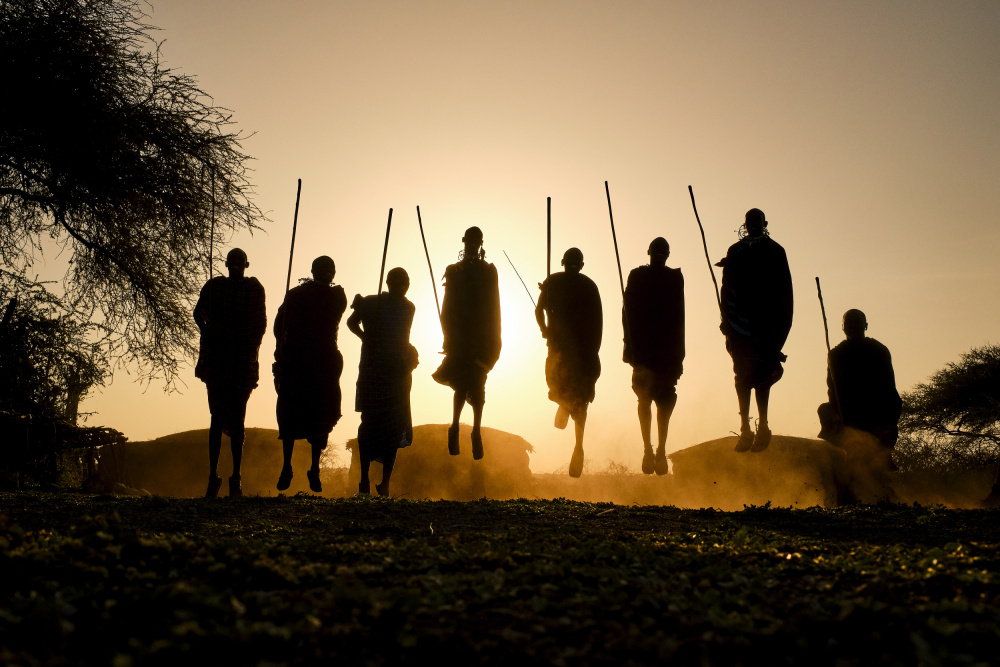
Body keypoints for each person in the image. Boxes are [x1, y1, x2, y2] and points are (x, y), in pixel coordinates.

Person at [717, 208, 793, 452]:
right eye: (749, 221)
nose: (753, 224)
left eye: (757, 221)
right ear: (745, 224)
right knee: (741, 375)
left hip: (765, 325)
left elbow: (784, 292)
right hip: (738, 323)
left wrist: (780, 327)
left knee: (761, 376)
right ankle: (744, 428)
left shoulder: (775, 251)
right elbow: (726, 287)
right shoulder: (735, 251)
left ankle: (763, 426)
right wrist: (725, 317)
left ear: (765, 223)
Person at [194, 248, 267, 498]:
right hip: (217, 361)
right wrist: (209, 332)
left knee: (237, 419)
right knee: (216, 417)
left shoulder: (254, 290)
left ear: (246, 264)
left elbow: (260, 326)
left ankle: (236, 478)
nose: (235, 265)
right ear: (226, 264)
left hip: (241, 363)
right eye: (232, 262)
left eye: (240, 262)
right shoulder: (215, 287)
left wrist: (246, 346)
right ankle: (213, 477)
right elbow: (197, 313)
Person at [272, 255, 347, 493]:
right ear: (315, 271)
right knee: (295, 415)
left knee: (316, 416)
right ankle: (290, 467)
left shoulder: (297, 296)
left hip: (313, 362)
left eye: (330, 268)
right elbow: (278, 325)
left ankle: (310, 469)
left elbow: (278, 325)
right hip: (307, 362)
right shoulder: (336, 296)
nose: (328, 272)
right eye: (325, 269)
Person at [346, 267, 419, 496]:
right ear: (387, 282)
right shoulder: (370, 303)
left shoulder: (408, 308)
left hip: (397, 373)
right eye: (397, 281)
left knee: (394, 427)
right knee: (369, 425)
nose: (402, 285)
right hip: (373, 372)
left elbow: (401, 337)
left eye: (405, 282)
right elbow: (351, 322)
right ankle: (364, 480)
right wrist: (365, 336)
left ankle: (385, 483)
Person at [431, 226, 501, 460]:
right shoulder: (454, 271)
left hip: (482, 338)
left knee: (478, 387)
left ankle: (476, 431)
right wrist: (448, 332)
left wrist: (494, 341)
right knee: (462, 384)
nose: (472, 244)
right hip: (460, 337)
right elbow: (447, 306)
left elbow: (495, 307)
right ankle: (455, 426)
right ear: (464, 241)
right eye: (469, 240)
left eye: (476, 241)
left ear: (481, 243)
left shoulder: (489, 271)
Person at [535, 248, 602, 478]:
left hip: (576, 351)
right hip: (569, 351)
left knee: (577, 396)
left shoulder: (556, 282)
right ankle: (566, 409)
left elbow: (539, 310)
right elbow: (539, 310)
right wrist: (545, 329)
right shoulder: (566, 283)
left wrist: (545, 328)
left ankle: (578, 445)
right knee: (567, 392)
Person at [623, 237, 684, 475]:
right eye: (656, 250)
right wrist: (629, 346)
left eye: (663, 251)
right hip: (644, 351)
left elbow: (679, 318)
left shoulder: (673, 279)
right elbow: (626, 312)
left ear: (667, 255)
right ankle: (648, 449)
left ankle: (660, 450)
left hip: (666, 353)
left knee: (664, 403)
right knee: (644, 400)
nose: (659, 254)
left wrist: (678, 356)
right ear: (648, 252)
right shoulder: (637, 276)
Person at [818, 309, 902, 454]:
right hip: (847, 409)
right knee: (824, 410)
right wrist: (838, 413)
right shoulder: (836, 354)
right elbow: (832, 388)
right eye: (849, 323)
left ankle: (885, 452)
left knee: (893, 408)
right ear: (843, 327)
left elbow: (889, 387)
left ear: (866, 326)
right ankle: (834, 452)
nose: (853, 326)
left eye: (857, 322)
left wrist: (887, 420)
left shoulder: (879, 350)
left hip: (875, 407)